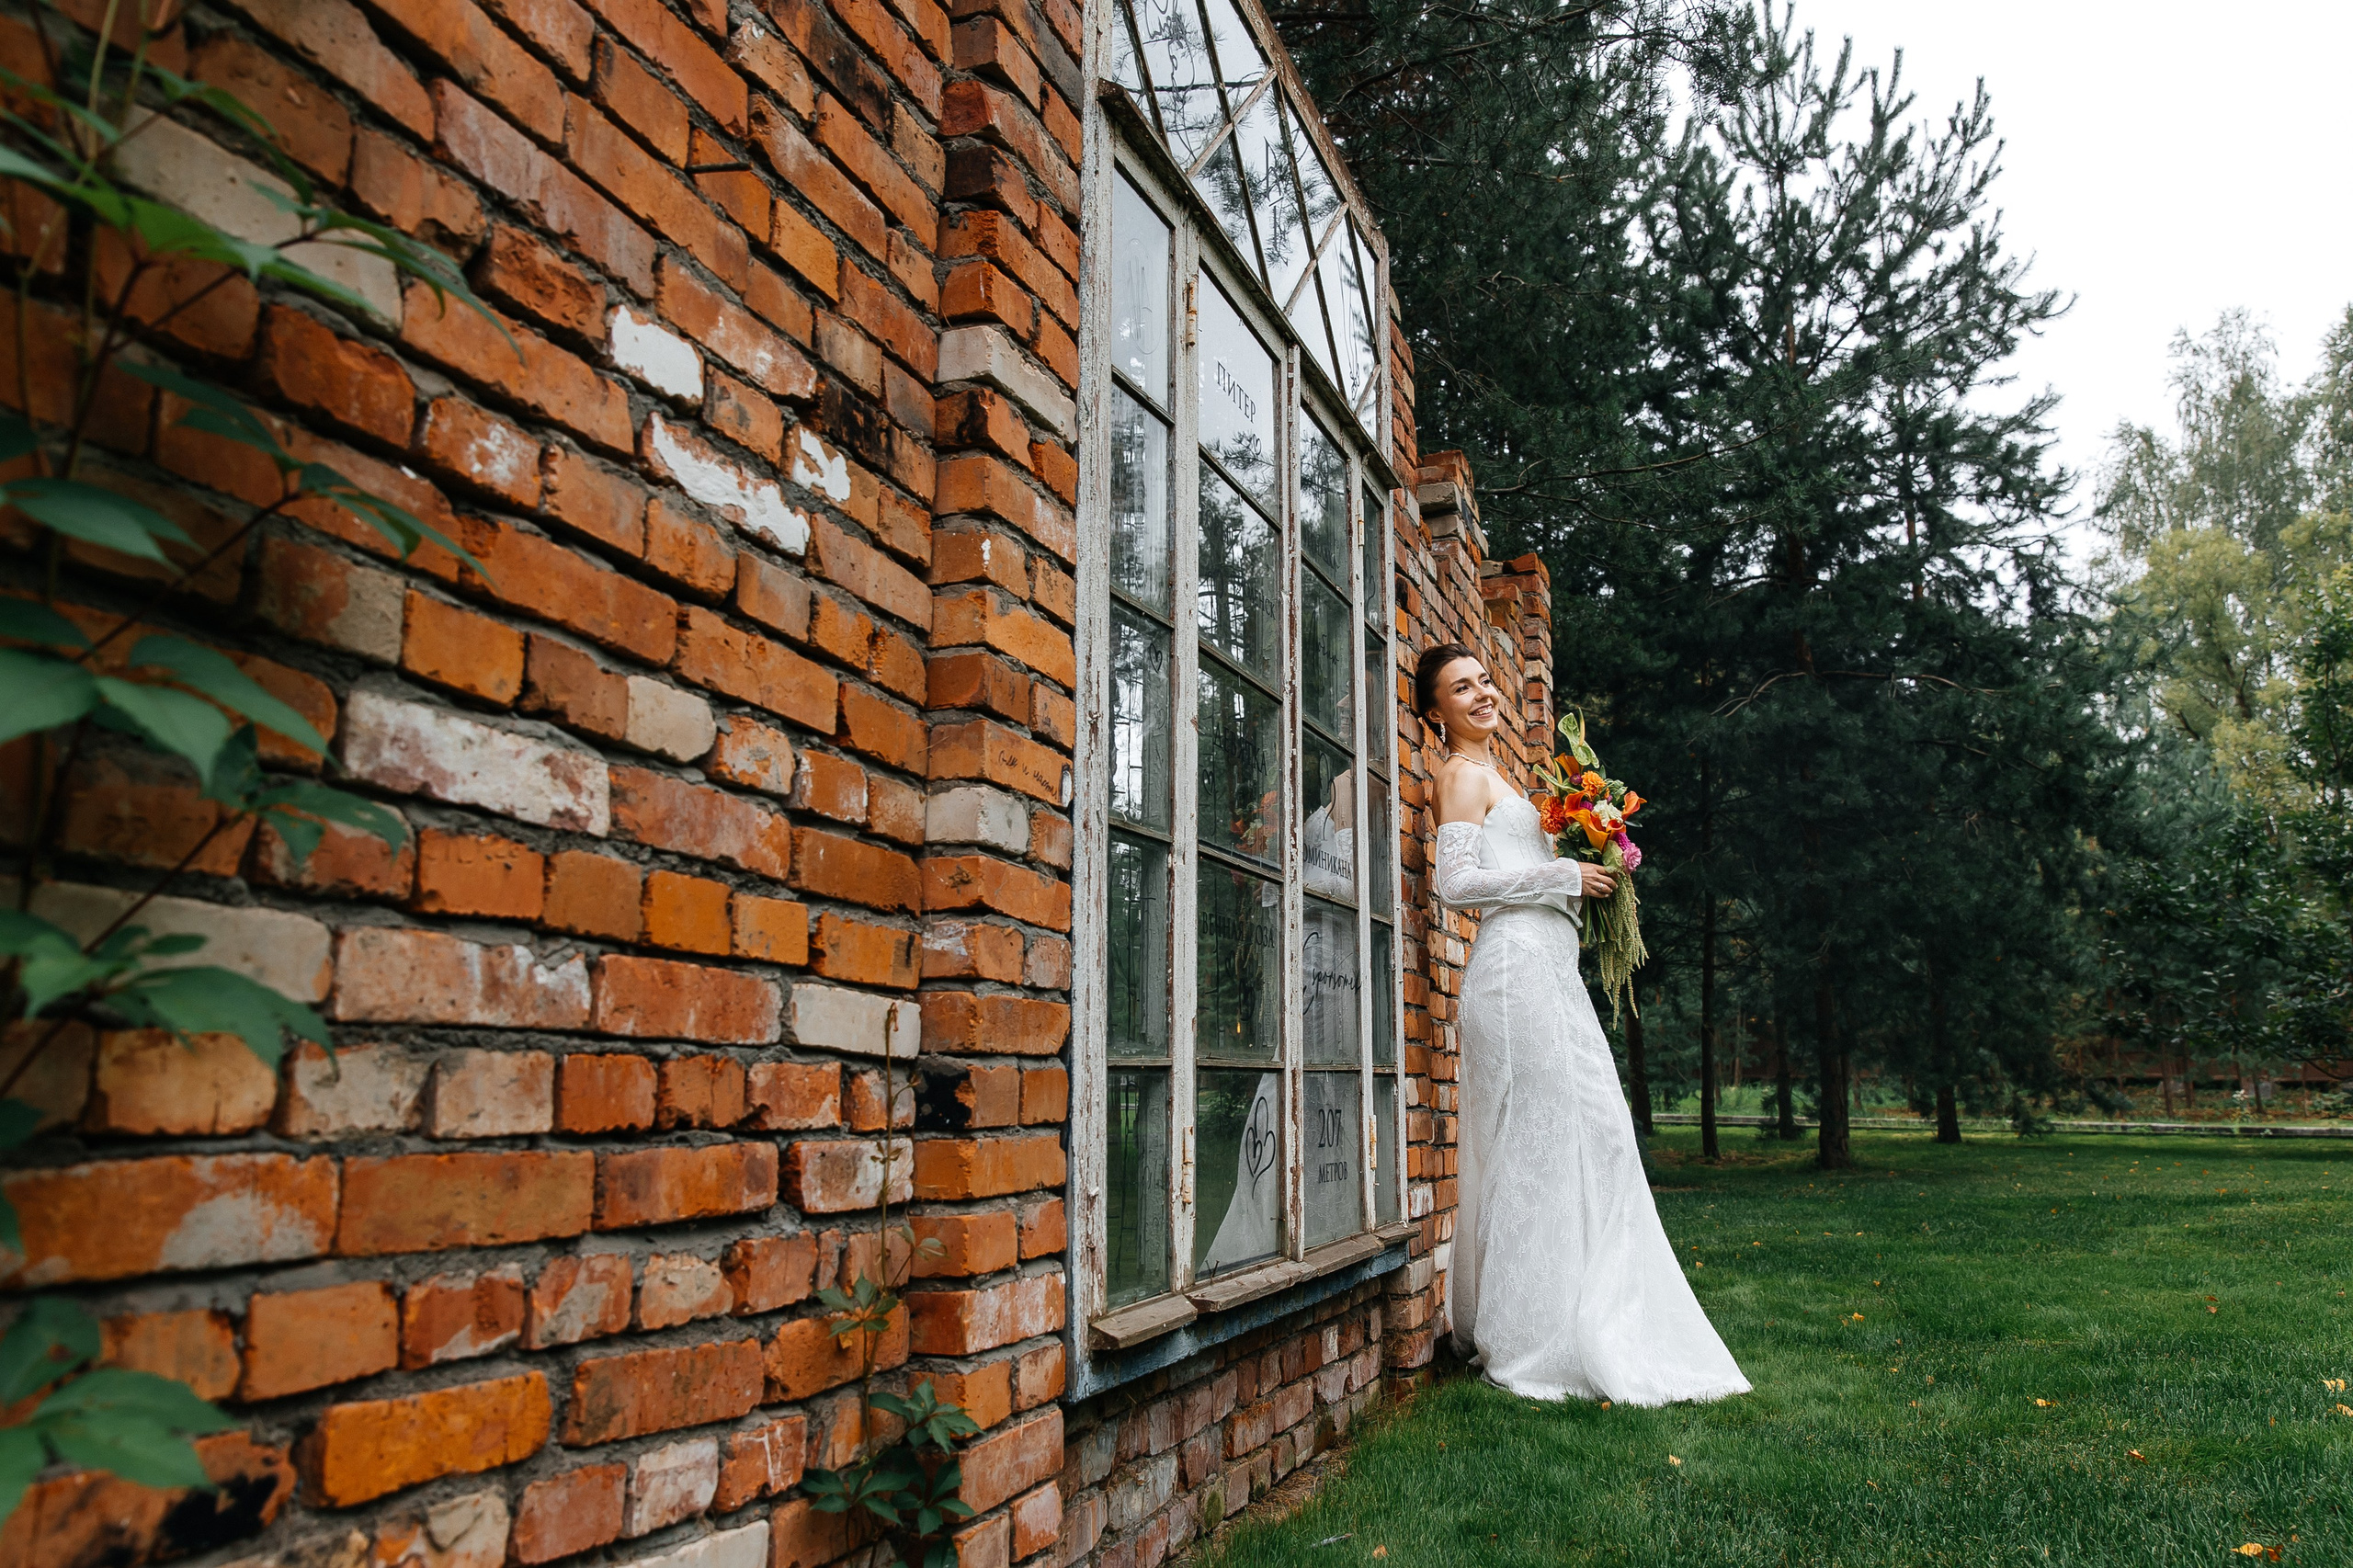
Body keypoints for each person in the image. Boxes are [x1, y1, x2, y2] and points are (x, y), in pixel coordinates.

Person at [1419, 642, 1750, 1405]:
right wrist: (1564, 872)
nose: (1482, 694)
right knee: (1542, 1142)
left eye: (1484, 681)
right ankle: (1528, 1336)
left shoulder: (1504, 777)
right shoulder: (1460, 775)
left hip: (1550, 973)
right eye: (1461, 688)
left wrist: (1597, 860)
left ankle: (1582, 1311)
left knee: (1591, 1133)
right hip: (1512, 977)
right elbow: (1455, 885)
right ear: (1436, 710)